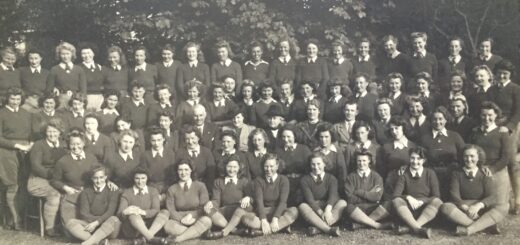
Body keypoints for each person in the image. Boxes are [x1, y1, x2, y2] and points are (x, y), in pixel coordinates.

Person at [440, 144, 507, 236]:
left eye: (472, 156)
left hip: (481, 209)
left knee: (503, 206)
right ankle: (485, 226)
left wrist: (477, 206)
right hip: (463, 209)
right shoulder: (456, 173)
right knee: (445, 207)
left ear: (478, 158)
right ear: (462, 158)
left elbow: (491, 196)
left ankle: (469, 229)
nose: (469, 159)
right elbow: (454, 195)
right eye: (466, 156)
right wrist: (467, 209)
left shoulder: (484, 173)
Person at [468, 101, 513, 209]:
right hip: (478, 169)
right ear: (480, 115)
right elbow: (470, 151)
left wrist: (492, 169)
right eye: (483, 115)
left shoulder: (502, 132)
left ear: (496, 115)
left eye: (490, 115)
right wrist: (478, 167)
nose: (486, 118)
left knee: (498, 204)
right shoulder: (475, 132)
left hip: (497, 170)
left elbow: (506, 157)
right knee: (480, 202)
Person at [51, 130, 100, 229]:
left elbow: (98, 175)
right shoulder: (62, 161)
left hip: (89, 194)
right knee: (70, 227)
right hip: (71, 195)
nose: (75, 147)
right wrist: (66, 188)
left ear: (83, 143)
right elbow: (54, 180)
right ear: (69, 145)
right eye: (72, 144)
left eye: (78, 144)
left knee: (91, 222)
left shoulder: (92, 158)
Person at [241, 154, 299, 236]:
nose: (268, 169)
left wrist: (275, 218)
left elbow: (283, 202)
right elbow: (259, 202)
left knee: (294, 211)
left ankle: (262, 231)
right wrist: (263, 220)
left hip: (279, 211)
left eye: (271, 166)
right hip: (263, 211)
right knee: (245, 218)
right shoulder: (259, 180)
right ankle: (279, 227)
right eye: (266, 166)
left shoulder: (283, 180)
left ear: (277, 166)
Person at [0, 87, 33, 230]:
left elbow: (31, 133)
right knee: (12, 186)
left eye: (18, 99)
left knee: (23, 185)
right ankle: (14, 220)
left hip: (25, 152)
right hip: (7, 152)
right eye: (12, 98)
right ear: (7, 98)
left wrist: (30, 144)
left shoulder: (26, 113)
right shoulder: (2, 113)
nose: (15, 102)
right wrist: (17, 145)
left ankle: (21, 217)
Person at [27, 119, 67, 236]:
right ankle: (50, 228)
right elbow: (36, 167)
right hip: (38, 179)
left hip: (57, 179)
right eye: (49, 131)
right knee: (54, 194)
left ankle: (66, 225)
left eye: (55, 131)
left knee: (70, 191)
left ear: (60, 132)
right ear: (45, 132)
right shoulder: (39, 145)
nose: (52, 134)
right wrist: (54, 177)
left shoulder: (64, 145)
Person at [392, 147, 442, 239]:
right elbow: (396, 194)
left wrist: (422, 201)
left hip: (425, 211)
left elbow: (436, 195)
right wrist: (408, 197)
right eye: (412, 158)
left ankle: (411, 228)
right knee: (396, 200)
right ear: (409, 158)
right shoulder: (404, 173)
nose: (415, 161)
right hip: (408, 211)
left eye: (419, 159)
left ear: (424, 160)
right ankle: (418, 229)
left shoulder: (430, 173)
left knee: (438, 201)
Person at [65, 166, 121, 245]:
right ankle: (99, 242)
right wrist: (93, 224)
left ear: (105, 177)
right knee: (71, 222)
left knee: (114, 219)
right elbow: (84, 214)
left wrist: (97, 223)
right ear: (91, 178)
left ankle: (87, 243)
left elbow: (110, 212)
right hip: (90, 225)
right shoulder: (86, 192)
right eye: (95, 178)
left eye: (101, 177)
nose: (98, 181)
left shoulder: (113, 191)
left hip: (107, 226)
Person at [418, 106, 465, 199]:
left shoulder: (455, 136)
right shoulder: (424, 138)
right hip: (432, 175)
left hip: (452, 174)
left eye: (440, 119)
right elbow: (419, 157)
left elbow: (464, 154)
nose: (437, 122)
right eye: (434, 119)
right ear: (431, 121)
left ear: (446, 120)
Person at [162, 159, 213, 243]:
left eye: (186, 169)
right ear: (177, 172)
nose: (183, 173)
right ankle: (197, 233)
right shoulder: (172, 189)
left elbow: (203, 207)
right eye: (180, 170)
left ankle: (178, 239)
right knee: (167, 226)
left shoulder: (200, 186)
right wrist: (182, 219)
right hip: (179, 220)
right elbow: (170, 210)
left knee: (207, 221)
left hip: (197, 218)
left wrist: (191, 215)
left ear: (191, 170)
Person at [203, 155, 253, 239]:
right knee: (208, 210)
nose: (232, 170)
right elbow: (216, 201)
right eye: (229, 166)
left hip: (239, 210)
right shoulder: (218, 181)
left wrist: (248, 198)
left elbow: (252, 197)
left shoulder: (244, 181)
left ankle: (224, 232)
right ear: (224, 167)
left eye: (235, 167)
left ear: (239, 168)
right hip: (224, 212)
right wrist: (210, 203)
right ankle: (234, 230)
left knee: (246, 206)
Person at [117, 167, 169, 244]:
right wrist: (125, 212)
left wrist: (142, 212)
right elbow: (119, 214)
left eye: (143, 178)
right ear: (133, 179)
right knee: (133, 214)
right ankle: (151, 238)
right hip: (133, 229)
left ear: (147, 178)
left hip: (151, 226)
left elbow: (156, 210)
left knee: (165, 212)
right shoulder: (127, 193)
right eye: (137, 178)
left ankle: (145, 238)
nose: (140, 181)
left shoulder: (153, 191)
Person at [298, 152, 345, 236]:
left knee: (342, 203)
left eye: (318, 164)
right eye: (313, 164)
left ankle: (317, 228)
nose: (316, 167)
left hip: (328, 208)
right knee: (302, 206)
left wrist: (327, 210)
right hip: (314, 209)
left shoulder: (331, 178)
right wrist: (321, 213)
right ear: (309, 165)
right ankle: (328, 229)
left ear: (324, 164)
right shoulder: (305, 180)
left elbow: (332, 196)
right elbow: (310, 200)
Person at [344, 150, 391, 230]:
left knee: (388, 204)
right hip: (357, 210)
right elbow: (350, 198)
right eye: (359, 161)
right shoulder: (351, 177)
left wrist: (359, 192)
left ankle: (361, 225)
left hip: (373, 208)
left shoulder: (377, 177)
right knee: (348, 207)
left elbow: (377, 197)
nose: (361, 163)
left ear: (369, 161)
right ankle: (376, 225)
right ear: (356, 161)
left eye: (364, 160)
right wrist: (370, 195)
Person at [376, 117, 416, 200]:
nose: (394, 132)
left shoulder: (413, 146)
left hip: (410, 184)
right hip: (391, 184)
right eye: (391, 129)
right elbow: (381, 171)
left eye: (396, 128)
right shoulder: (385, 147)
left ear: (403, 128)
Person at [274, 126, 312, 206]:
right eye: (283, 137)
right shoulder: (278, 151)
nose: (286, 139)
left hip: (302, 183)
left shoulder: (304, 149)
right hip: (285, 183)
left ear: (295, 136)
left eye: (288, 136)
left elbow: (310, 169)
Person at [139, 126, 176, 200]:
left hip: (167, 189)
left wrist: (165, 193)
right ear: (150, 140)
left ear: (164, 139)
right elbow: (144, 177)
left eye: (159, 140)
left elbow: (173, 177)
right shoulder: (145, 155)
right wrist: (155, 194)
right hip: (151, 189)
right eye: (153, 140)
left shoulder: (170, 154)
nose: (156, 143)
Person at [46, 42, 87, 109]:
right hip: (60, 100)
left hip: (76, 101)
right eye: (63, 54)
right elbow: (48, 89)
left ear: (72, 54)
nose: (65, 56)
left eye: (68, 54)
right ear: (59, 55)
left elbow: (83, 90)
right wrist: (54, 90)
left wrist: (79, 100)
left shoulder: (79, 70)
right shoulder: (54, 69)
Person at [78, 43, 104, 111]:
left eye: (89, 53)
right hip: (86, 98)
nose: (86, 56)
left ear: (93, 54)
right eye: (84, 53)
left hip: (99, 98)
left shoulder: (99, 67)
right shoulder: (78, 68)